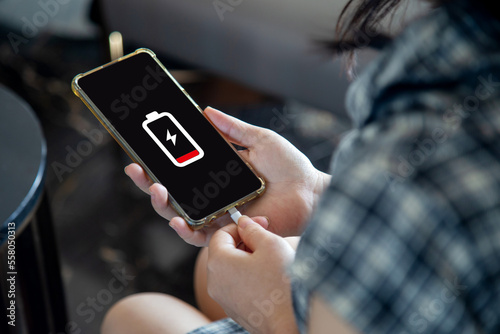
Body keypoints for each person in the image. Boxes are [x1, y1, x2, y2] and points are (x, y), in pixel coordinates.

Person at [101, 0, 500, 333]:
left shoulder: (420, 145)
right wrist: (315, 193)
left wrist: (272, 314)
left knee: (134, 317)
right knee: (214, 263)